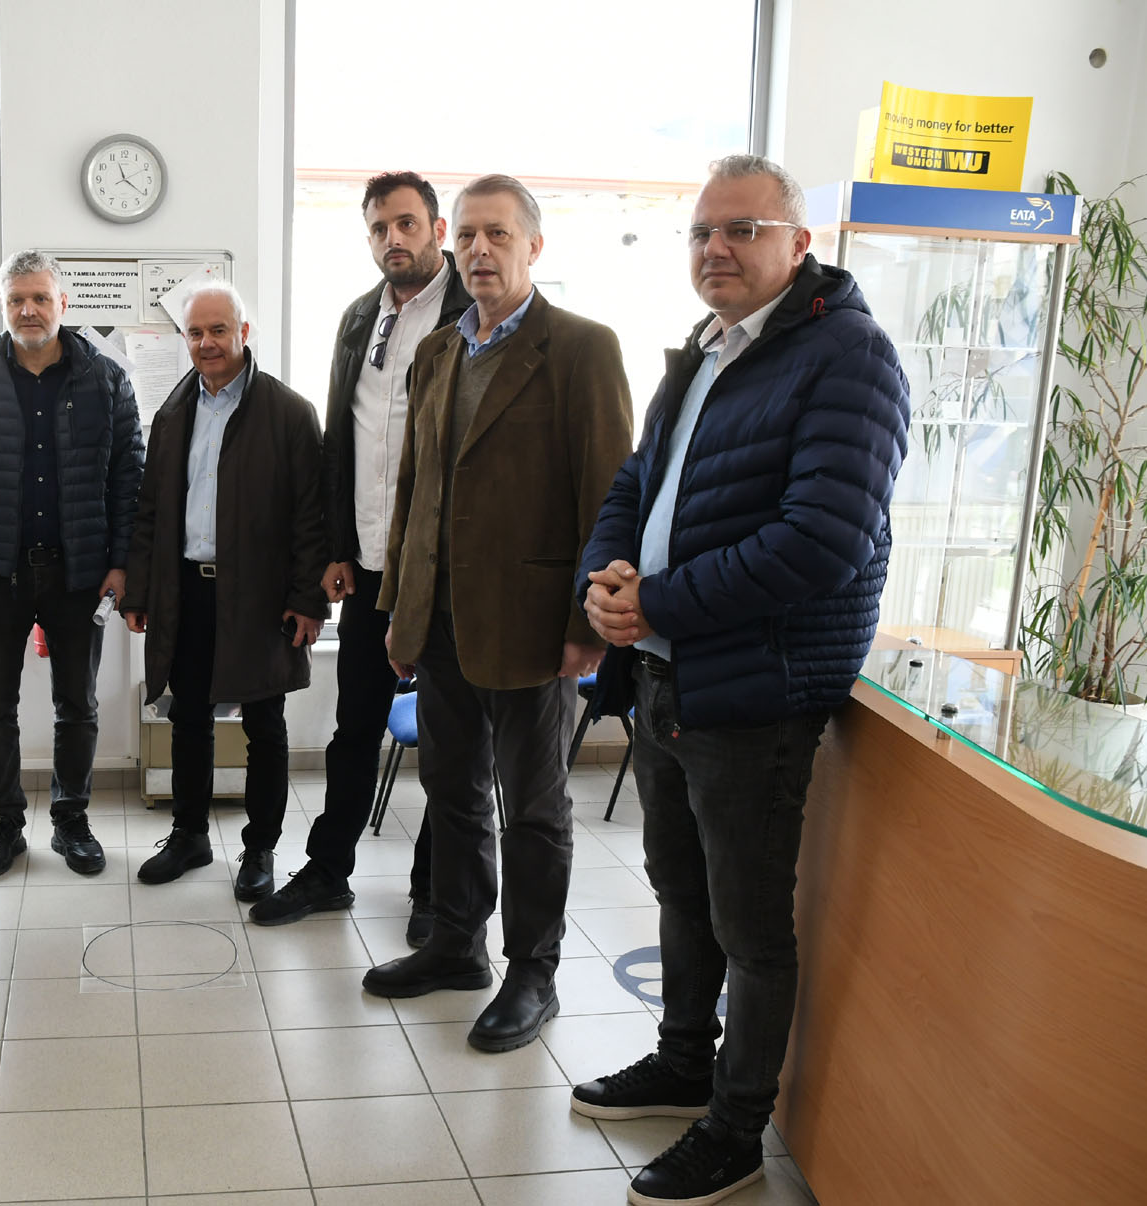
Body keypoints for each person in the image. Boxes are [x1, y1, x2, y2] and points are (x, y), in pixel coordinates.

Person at [574, 154, 909, 1206]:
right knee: (680, 893)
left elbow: (822, 542)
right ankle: (684, 1061)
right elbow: (636, 482)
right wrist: (604, 580)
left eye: (742, 230)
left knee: (751, 927)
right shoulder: (705, 349)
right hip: (668, 676)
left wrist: (658, 603)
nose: (715, 248)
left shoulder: (849, 357)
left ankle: (735, 1127)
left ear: (798, 245)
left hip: (757, 689)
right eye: (701, 232)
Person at [360, 174, 633, 1055]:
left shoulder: (582, 349)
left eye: (499, 235)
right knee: (451, 792)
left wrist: (587, 626)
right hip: (438, 620)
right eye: (469, 235)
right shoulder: (439, 351)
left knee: (535, 810)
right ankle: (456, 944)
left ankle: (533, 974)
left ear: (533, 247)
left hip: (533, 627)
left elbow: (609, 499)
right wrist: (400, 610)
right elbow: (414, 492)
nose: (480, 250)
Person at [248, 171, 471, 940]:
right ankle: (328, 870)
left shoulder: (474, 311)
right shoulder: (357, 318)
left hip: (446, 570)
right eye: (379, 227)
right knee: (354, 729)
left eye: (406, 223)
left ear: (436, 230)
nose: (392, 239)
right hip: (371, 566)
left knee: (449, 737)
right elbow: (342, 443)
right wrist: (339, 548)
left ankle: (435, 890)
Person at [0, 249, 144, 879]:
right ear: (3, 305)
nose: (28, 310)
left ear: (63, 303)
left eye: (40, 298)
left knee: (77, 704)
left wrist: (121, 563)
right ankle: (3, 823)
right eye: (16, 300)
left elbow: (128, 476)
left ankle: (71, 819)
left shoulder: (105, 378)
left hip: (79, 571)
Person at [122, 280, 326, 901]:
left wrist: (308, 599)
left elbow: (311, 517)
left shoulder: (289, 413)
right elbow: (151, 511)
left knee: (264, 723)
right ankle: (189, 835)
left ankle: (259, 848)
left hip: (261, 596)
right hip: (187, 591)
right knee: (188, 716)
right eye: (195, 332)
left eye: (218, 330)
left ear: (243, 332)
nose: (207, 343)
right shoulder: (172, 413)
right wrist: (140, 591)